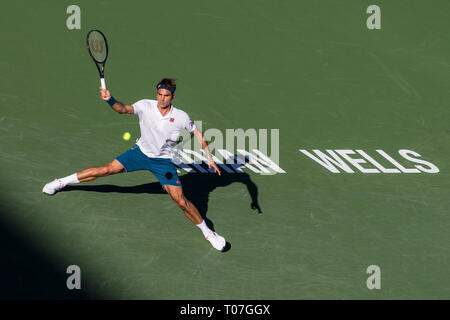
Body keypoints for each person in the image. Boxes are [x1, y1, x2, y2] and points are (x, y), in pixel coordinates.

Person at [42, 78, 226, 251]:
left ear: (173, 96)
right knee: (106, 169)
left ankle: (208, 233)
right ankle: (61, 182)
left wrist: (208, 157)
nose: (162, 99)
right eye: (159, 94)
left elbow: (198, 133)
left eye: (166, 95)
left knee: (181, 201)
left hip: (163, 162)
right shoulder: (145, 106)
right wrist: (110, 100)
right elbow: (123, 109)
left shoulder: (181, 117)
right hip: (140, 153)